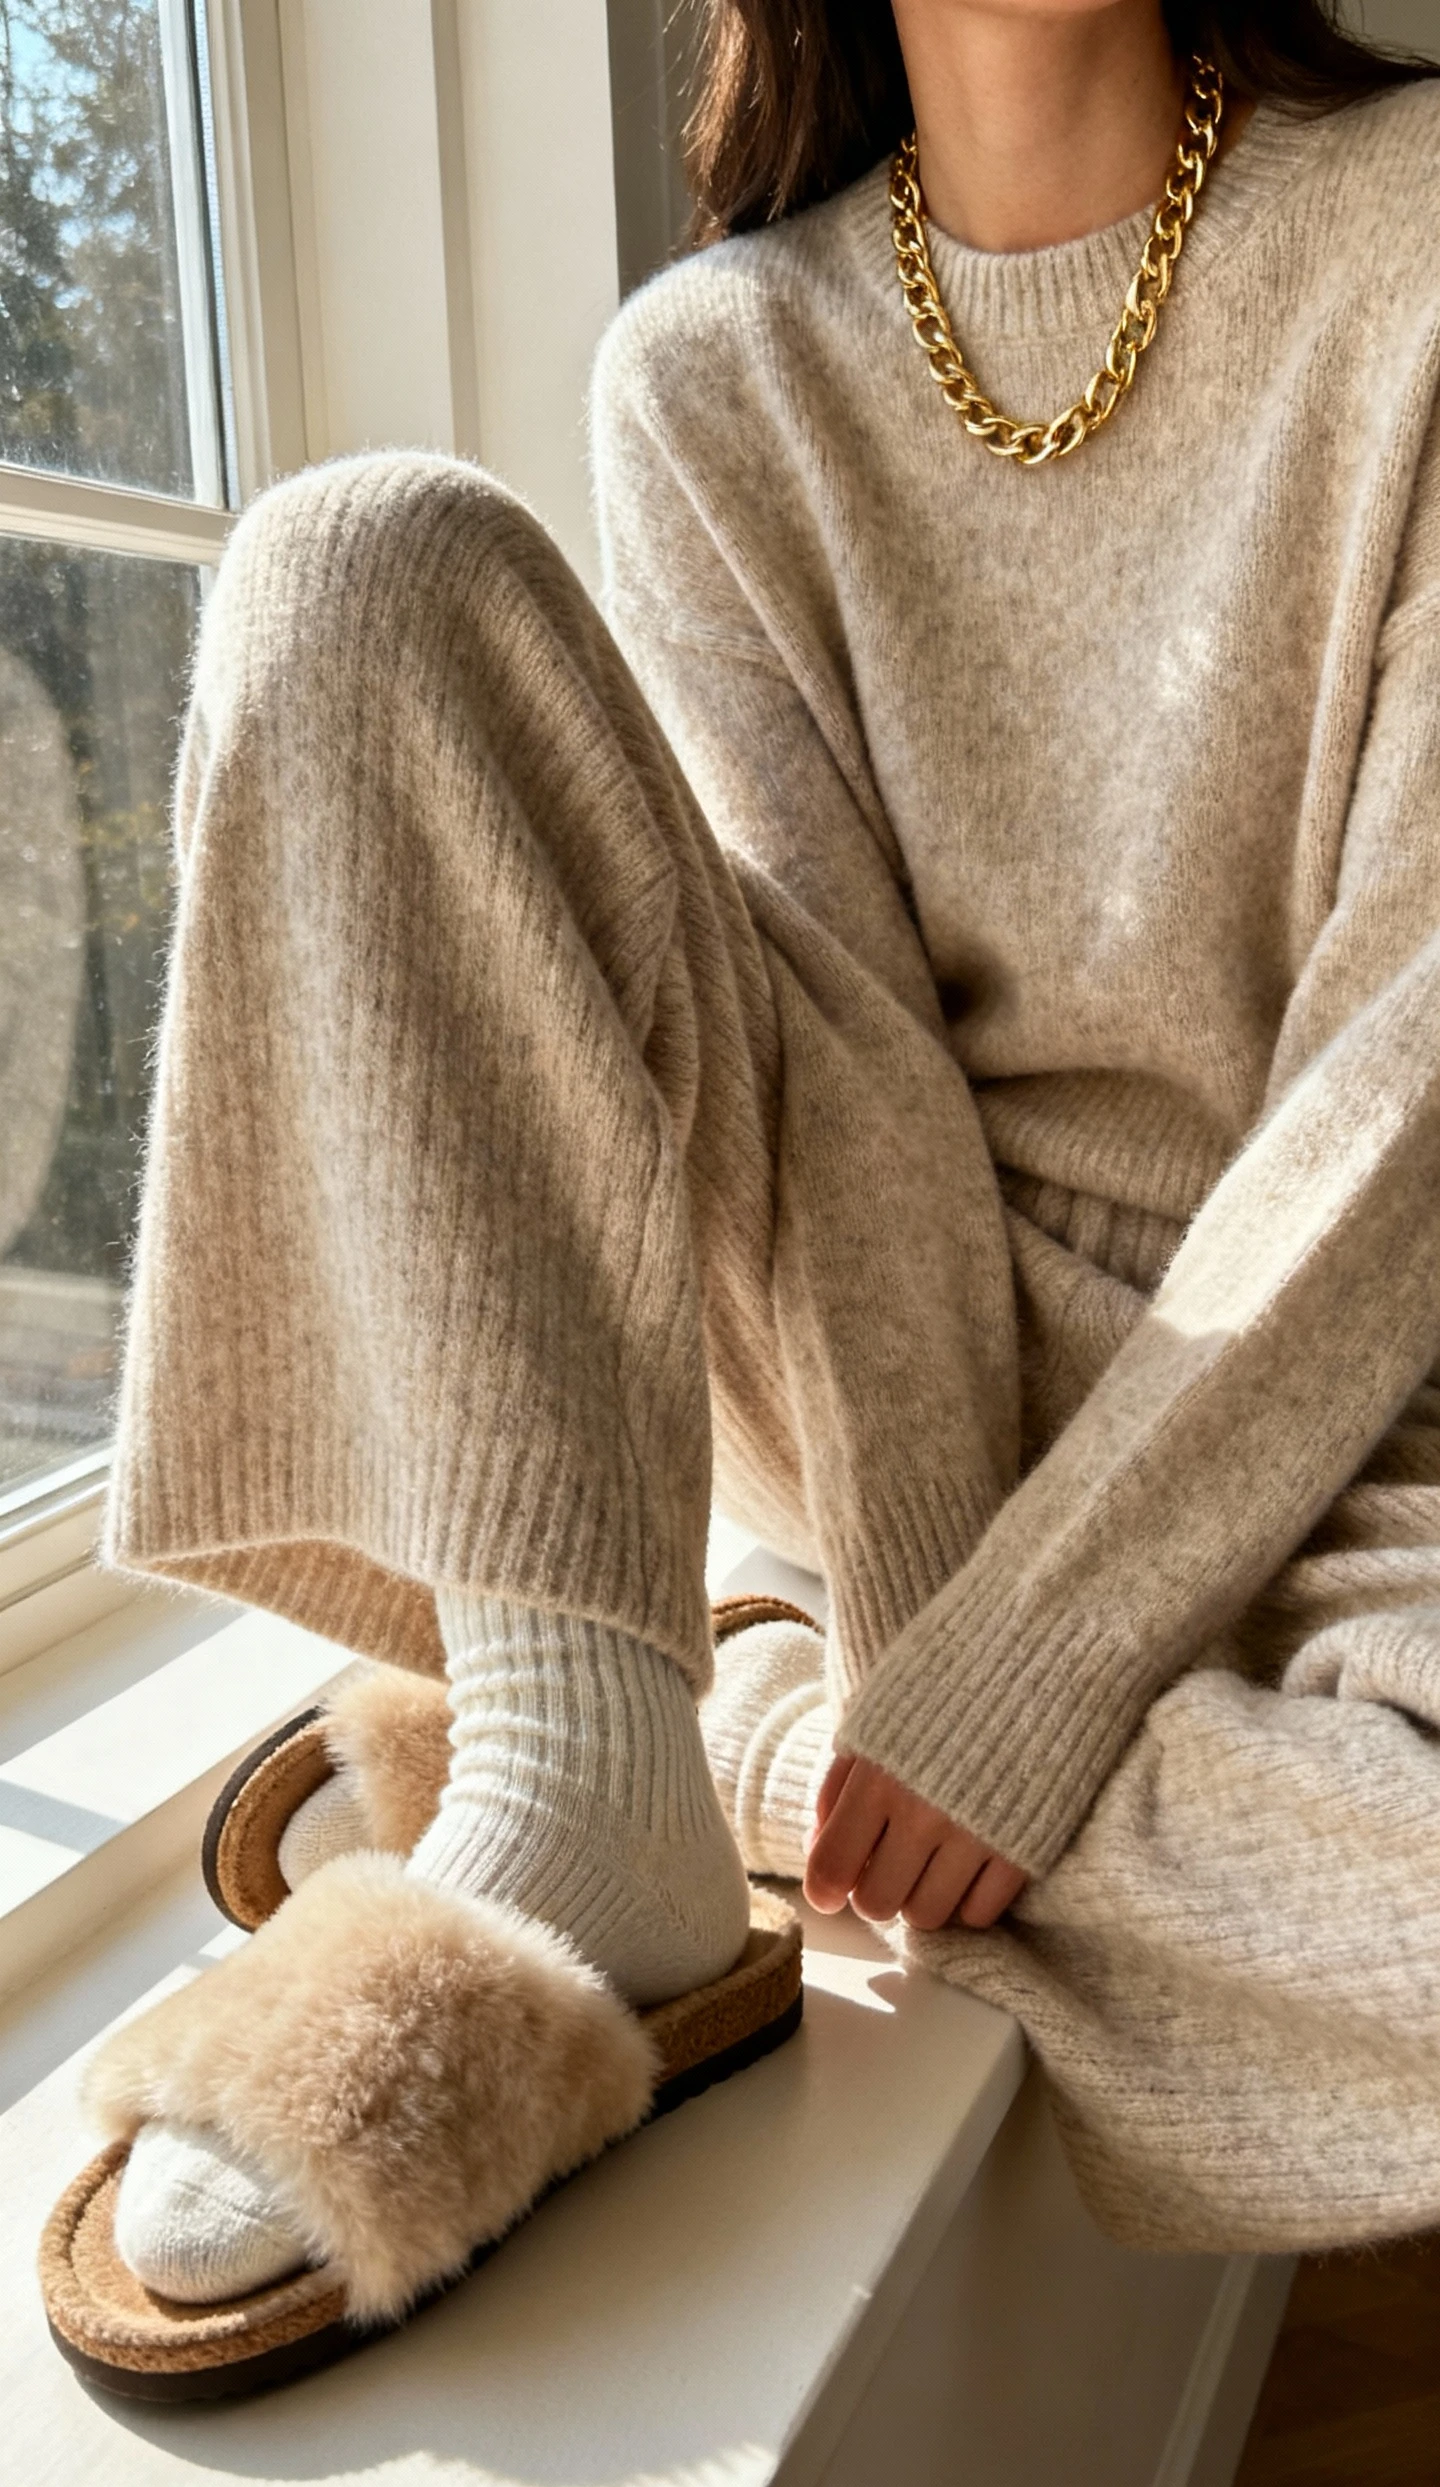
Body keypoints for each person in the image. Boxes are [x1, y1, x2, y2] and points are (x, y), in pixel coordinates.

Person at [94, 0, 1440, 2300]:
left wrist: (1015, 1664)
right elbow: (857, 1103)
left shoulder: (1411, 235)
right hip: (854, 1353)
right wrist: (953, 1590)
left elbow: (1408, 1069)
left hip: (1338, 1407)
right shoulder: (713, 374)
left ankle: (702, 1729)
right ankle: (579, 1733)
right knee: (355, 560)